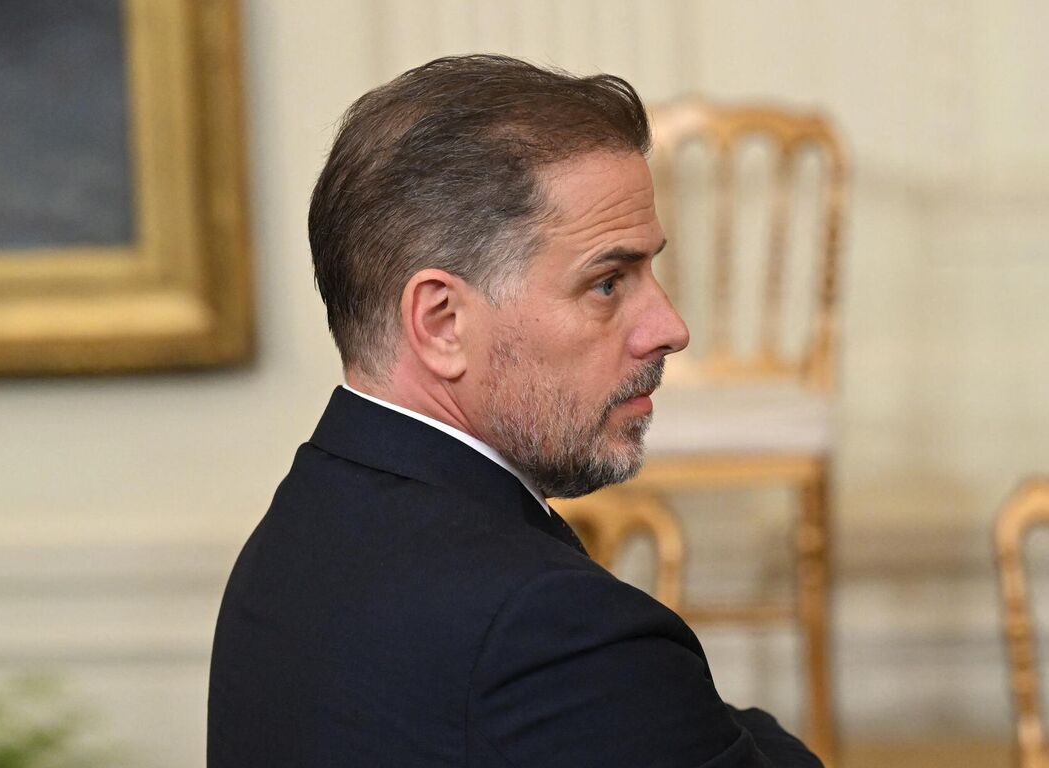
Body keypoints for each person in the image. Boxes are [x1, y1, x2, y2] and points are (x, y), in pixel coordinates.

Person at [208, 54, 822, 768]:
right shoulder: (552, 628)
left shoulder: (292, 541)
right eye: (607, 283)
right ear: (442, 322)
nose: (669, 326)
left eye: (648, 271)